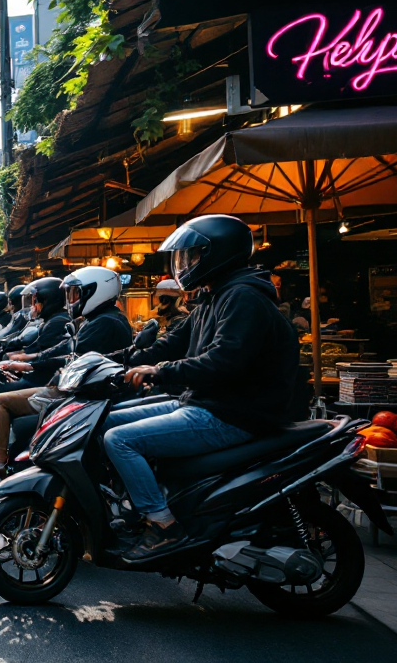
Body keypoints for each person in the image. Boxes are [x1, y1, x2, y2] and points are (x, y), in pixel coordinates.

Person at [105, 214, 298, 560]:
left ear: (217, 253)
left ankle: (164, 525)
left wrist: (159, 372)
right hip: (202, 403)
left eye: (192, 256)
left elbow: (223, 361)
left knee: (119, 439)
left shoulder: (243, 298)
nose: (186, 264)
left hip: (233, 413)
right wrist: (113, 361)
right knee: (107, 420)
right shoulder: (212, 296)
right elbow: (170, 343)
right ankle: (136, 503)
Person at [0, 267, 132, 491]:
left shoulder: (104, 322)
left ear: (96, 292)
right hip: (76, 389)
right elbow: (63, 349)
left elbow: (72, 357)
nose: (72, 300)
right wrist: (29, 360)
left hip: (81, 394)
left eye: (76, 294)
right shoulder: (97, 320)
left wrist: (32, 363)